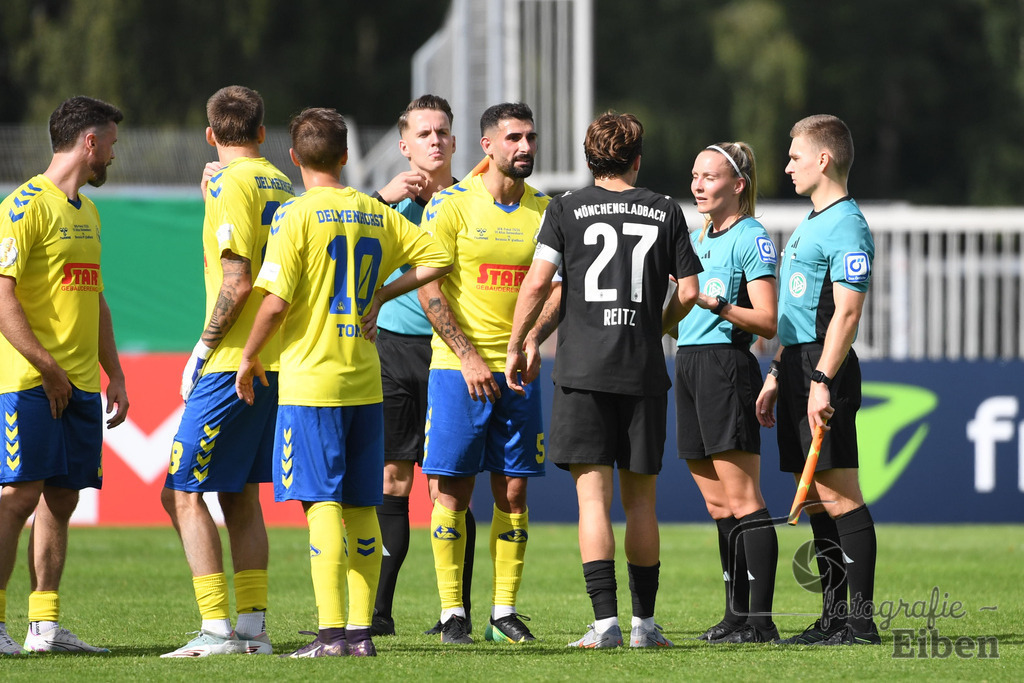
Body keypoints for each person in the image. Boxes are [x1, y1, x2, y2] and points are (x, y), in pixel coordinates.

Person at [235, 106, 452, 658]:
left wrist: (249, 355)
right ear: (347, 155)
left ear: (294, 156)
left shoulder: (296, 214)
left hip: (312, 383)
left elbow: (276, 300)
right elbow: (439, 258)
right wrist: (379, 294)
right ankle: (360, 636)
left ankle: (330, 634)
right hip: (365, 381)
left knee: (320, 503)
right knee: (360, 506)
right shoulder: (375, 213)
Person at [506, 112, 701, 649]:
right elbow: (687, 292)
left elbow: (538, 282)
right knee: (642, 502)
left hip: (583, 372)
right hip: (641, 371)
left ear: (590, 159)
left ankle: (605, 625)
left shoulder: (565, 208)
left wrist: (518, 341)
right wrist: (652, 329)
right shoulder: (665, 210)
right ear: (637, 159)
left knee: (592, 502)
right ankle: (644, 626)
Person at [160, 85, 295, 658]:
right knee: (239, 493)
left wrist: (201, 348)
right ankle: (252, 631)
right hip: (276, 360)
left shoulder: (229, 184)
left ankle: (215, 630)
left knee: (180, 493)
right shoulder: (282, 183)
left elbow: (237, 281)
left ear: (211, 135)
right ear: (263, 133)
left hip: (230, 363)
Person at [419, 102, 559, 645]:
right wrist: (470, 356)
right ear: (487, 146)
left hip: (519, 372)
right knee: (451, 491)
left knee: (515, 492)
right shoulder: (450, 205)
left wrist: (528, 341)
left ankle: (504, 613)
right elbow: (429, 288)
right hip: (457, 371)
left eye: (531, 137)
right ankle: (453, 613)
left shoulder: (548, 211)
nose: (525, 147)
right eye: (514, 138)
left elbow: (558, 292)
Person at [0, 96, 129, 655]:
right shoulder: (24, 205)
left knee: (62, 499)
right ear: (89, 143)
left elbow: (95, 299)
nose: (113, 157)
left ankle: (44, 628)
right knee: (17, 497)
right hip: (30, 381)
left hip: (76, 385)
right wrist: (48, 369)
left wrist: (115, 374)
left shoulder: (89, 211)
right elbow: (2, 298)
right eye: (111, 145)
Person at [756, 114, 879, 646]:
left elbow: (846, 316)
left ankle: (862, 622)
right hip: (800, 364)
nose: (786, 167)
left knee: (839, 493)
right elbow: (799, 310)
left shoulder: (848, 224)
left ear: (823, 159)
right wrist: (779, 372)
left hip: (825, 369)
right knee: (815, 499)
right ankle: (832, 618)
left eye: (795, 157)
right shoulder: (812, 221)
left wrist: (822, 379)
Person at [368, 95, 478, 638]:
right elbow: (333, 236)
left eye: (443, 132)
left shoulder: (469, 200)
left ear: (455, 142)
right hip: (392, 348)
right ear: (404, 145)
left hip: (450, 356)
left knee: (448, 486)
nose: (435, 140)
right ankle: (379, 612)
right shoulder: (384, 205)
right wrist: (380, 200)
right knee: (393, 477)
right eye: (424, 133)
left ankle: (455, 612)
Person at [676, 142, 780, 643]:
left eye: (710, 176)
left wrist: (713, 302)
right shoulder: (697, 237)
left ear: (737, 185)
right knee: (719, 506)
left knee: (744, 499)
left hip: (726, 365)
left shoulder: (751, 235)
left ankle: (761, 621)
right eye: (695, 175)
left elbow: (766, 320)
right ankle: (736, 615)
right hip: (690, 365)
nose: (698, 184)